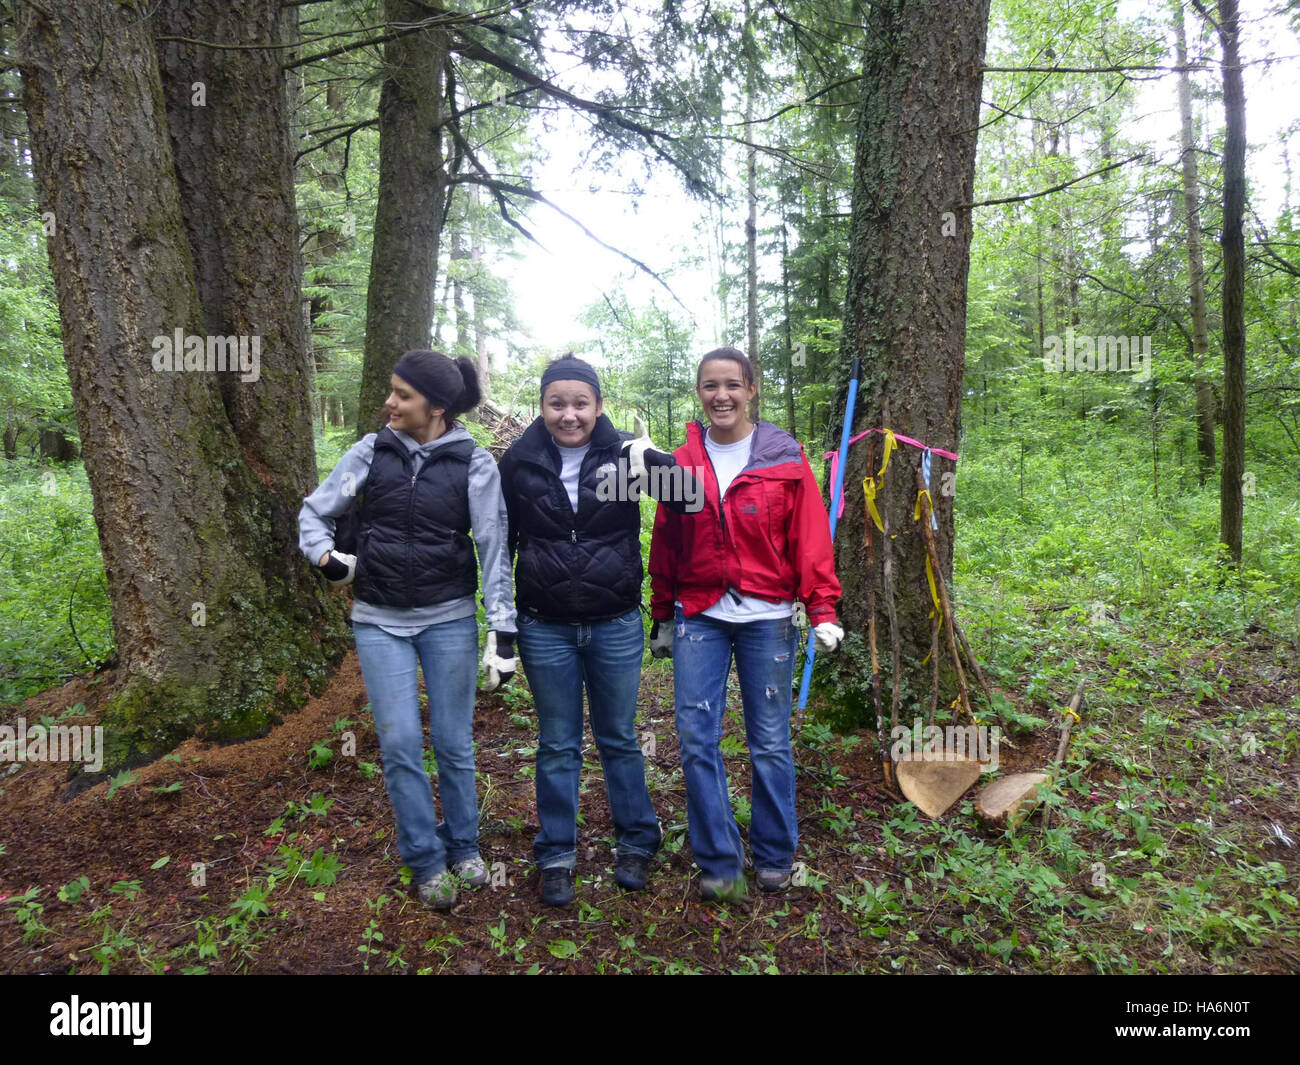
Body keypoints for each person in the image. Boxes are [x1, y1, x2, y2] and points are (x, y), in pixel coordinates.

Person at [297, 350, 516, 912]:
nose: (389, 402)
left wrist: (502, 632)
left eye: (402, 395)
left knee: (453, 743)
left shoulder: (475, 462)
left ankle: (464, 846)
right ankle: (423, 858)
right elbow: (314, 513)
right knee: (398, 745)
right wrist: (326, 558)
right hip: (378, 621)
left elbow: (493, 547)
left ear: (436, 407)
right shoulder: (371, 450)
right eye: (392, 391)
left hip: (448, 620)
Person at [648, 347, 843, 902]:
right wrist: (662, 612)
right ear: (699, 393)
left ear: (752, 389)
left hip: (768, 619)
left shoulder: (784, 456)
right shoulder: (681, 464)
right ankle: (718, 859)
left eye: (732, 384)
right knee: (695, 737)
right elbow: (667, 539)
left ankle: (776, 854)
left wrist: (822, 607)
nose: (721, 396)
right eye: (710, 386)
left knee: (769, 740)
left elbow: (809, 534)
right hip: (700, 616)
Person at [498, 355, 683, 907]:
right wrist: (501, 626)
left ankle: (637, 843)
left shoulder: (624, 453)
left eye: (580, 403)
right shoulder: (520, 460)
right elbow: (500, 540)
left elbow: (687, 501)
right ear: (542, 406)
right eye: (557, 403)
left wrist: (657, 460)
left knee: (619, 737)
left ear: (598, 405)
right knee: (557, 743)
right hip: (543, 625)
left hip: (615, 623)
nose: (569, 414)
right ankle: (556, 853)